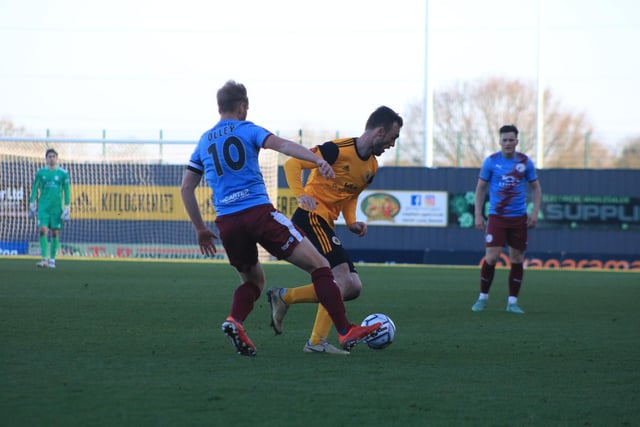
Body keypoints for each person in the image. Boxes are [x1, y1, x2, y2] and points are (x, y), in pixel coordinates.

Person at [180, 80, 381, 356]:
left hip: (227, 222)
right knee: (322, 267)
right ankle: (345, 330)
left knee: (252, 281)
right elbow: (283, 146)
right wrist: (318, 161)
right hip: (259, 214)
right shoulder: (247, 129)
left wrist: (200, 229)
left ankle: (234, 320)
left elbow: (186, 187)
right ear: (242, 106)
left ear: (219, 107)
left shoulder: (204, 141)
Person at [267, 106, 403, 355]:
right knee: (340, 279)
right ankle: (317, 342)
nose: (393, 144)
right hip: (310, 217)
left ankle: (285, 296)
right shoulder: (337, 150)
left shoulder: (371, 167)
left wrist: (351, 221)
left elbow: (351, 196)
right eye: (393, 137)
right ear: (380, 132)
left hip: (326, 224)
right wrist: (301, 196)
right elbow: (292, 165)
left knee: (353, 286)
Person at [471, 124, 542, 314]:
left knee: (517, 258)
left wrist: (534, 213)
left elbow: (536, 188)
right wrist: (478, 213)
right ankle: (482, 298)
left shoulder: (525, 162)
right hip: (497, 217)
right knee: (492, 257)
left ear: (517, 141)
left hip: (518, 218)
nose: (508, 143)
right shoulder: (491, 162)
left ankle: (512, 302)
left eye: (511, 140)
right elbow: (480, 188)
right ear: (500, 141)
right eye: (505, 140)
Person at [29, 148, 71, 269]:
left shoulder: (63, 173)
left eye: (53, 156)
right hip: (43, 207)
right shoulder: (40, 173)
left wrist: (67, 207)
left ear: (57, 159)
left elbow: (66, 191)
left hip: (56, 208)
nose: (51, 158)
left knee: (55, 233)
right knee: (42, 230)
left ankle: (52, 259)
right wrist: (32, 203)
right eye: (49, 156)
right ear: (46, 159)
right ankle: (44, 259)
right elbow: (34, 188)